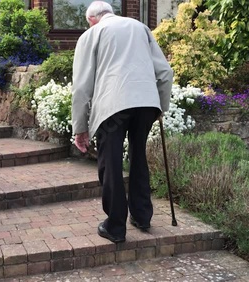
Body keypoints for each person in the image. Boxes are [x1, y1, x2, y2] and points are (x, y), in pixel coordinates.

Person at [71, 1, 174, 243]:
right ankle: (142, 217)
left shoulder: (91, 34)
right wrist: (161, 107)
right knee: (138, 155)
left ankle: (115, 227)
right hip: (147, 102)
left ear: (92, 19)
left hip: (112, 106)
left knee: (111, 163)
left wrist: (80, 128)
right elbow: (165, 73)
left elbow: (81, 87)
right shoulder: (140, 27)